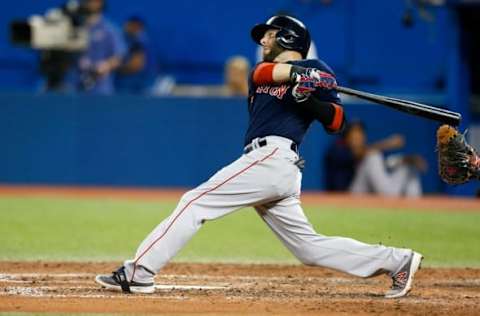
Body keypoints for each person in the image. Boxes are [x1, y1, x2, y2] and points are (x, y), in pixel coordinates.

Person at [95, 15, 423, 299]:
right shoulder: (265, 71)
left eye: (269, 33)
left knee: (195, 202)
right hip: (267, 162)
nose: (263, 39)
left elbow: (336, 122)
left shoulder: (319, 70)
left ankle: (139, 272)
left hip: (275, 158)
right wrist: (299, 79)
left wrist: (309, 98)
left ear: (289, 37)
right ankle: (397, 260)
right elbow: (267, 75)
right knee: (308, 248)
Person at [325, 121, 426, 196]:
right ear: (346, 137)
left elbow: (387, 163)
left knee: (408, 167)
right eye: (354, 136)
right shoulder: (337, 150)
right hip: (345, 197)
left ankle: (416, 206)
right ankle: (389, 196)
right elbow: (358, 154)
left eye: (360, 135)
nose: (358, 139)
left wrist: (407, 159)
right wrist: (388, 144)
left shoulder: (367, 151)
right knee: (373, 157)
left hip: (366, 193)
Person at [65, 0, 126, 94]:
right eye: (88, 1)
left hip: (99, 88)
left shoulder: (110, 30)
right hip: (73, 85)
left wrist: (105, 66)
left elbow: (119, 56)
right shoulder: (74, 28)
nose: (91, 4)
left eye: (95, 1)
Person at [169, 55, 250, 97]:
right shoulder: (221, 96)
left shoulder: (258, 98)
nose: (234, 76)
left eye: (238, 73)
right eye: (231, 72)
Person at [115, 16, 157, 94]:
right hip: (142, 83)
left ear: (136, 26)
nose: (125, 28)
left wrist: (114, 67)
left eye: (128, 25)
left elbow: (136, 65)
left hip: (138, 85)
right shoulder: (142, 40)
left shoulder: (138, 42)